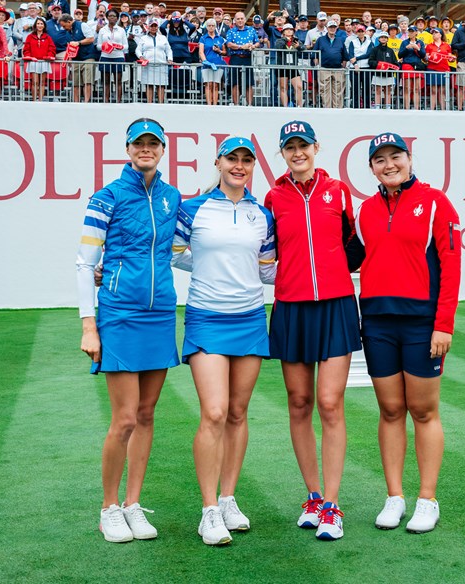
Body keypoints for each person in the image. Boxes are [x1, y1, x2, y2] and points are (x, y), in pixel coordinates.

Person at [346, 132, 461, 534]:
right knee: (391, 410)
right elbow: (346, 257)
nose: (389, 164)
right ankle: (395, 497)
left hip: (421, 324)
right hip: (376, 322)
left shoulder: (435, 202)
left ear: (410, 160)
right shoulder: (365, 210)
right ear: (372, 168)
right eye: (380, 159)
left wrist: (443, 324)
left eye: (396, 156)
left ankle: (427, 499)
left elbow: (451, 266)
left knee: (424, 411)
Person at [77, 118, 182, 544]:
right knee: (123, 419)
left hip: (160, 315)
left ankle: (134, 504)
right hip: (119, 315)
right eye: (139, 144)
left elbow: (178, 253)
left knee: (146, 414)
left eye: (153, 143)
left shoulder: (172, 197)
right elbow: (86, 263)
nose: (146, 149)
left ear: (162, 148)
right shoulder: (107, 197)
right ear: (128, 148)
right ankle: (109, 508)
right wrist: (89, 325)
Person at [172, 137, 276, 546]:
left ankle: (230, 498)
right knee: (213, 412)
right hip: (207, 317)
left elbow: (267, 269)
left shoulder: (261, 214)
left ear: (253, 166)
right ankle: (209, 509)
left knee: (237, 412)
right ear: (218, 162)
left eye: (246, 160)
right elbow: (176, 253)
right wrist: (214, 265)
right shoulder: (192, 208)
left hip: (250, 318)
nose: (238, 165)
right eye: (231, 158)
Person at [263, 121, 360, 541]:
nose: (298, 152)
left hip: (336, 305)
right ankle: (314, 497)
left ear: (317, 148)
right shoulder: (273, 196)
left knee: (329, 402)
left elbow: (355, 246)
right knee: (299, 402)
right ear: (282, 153)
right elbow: (265, 251)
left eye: (304, 145)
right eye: (290, 147)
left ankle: (333, 506)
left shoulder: (338, 191)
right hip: (291, 306)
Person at [224, 12, 258, 106]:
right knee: (235, 82)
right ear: (235, 20)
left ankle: (250, 105)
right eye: (238, 19)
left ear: (245, 19)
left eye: (242, 18)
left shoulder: (251, 30)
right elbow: (229, 44)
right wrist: (241, 47)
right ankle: (236, 105)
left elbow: (258, 42)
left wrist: (253, 46)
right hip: (235, 58)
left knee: (249, 83)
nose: (240, 20)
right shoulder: (231, 31)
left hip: (247, 58)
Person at [136, 16, 172, 103]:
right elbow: (138, 49)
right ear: (148, 27)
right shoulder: (143, 38)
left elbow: (168, 49)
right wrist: (140, 56)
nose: (153, 28)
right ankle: (149, 104)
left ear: (157, 27)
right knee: (149, 85)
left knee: (161, 85)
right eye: (152, 26)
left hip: (161, 64)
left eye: (155, 26)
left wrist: (170, 58)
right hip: (148, 65)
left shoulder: (163, 38)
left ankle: (160, 104)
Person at [314, 20, 346, 108]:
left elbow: (344, 55)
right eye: (330, 27)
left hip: (338, 69)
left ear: (336, 28)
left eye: (334, 27)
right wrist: (318, 66)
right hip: (324, 69)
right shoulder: (320, 40)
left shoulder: (340, 40)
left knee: (338, 91)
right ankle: (327, 109)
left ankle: (337, 109)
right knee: (324, 90)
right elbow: (315, 54)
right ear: (327, 28)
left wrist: (342, 67)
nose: (332, 29)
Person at [96, 8, 126, 102]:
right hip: (105, 57)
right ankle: (106, 101)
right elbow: (98, 46)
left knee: (118, 81)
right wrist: (106, 46)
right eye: (110, 16)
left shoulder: (121, 30)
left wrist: (117, 47)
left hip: (118, 57)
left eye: (114, 16)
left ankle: (118, 101)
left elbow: (126, 46)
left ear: (117, 18)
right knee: (106, 81)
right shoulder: (102, 30)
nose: (112, 18)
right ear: (107, 17)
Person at [23, 16, 55, 101]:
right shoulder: (30, 36)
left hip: (44, 62)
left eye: (41, 24)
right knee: (34, 82)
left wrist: (48, 56)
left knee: (42, 82)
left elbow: (52, 48)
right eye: (38, 23)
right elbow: (26, 49)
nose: (40, 25)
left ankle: (40, 100)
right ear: (35, 25)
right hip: (33, 62)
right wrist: (30, 56)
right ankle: (34, 100)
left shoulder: (48, 37)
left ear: (44, 25)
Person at [274, 23, 303, 107]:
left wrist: (298, 47)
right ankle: (285, 107)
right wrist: (286, 40)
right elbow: (278, 47)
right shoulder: (280, 40)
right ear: (283, 32)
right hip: (282, 66)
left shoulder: (296, 40)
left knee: (299, 86)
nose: (289, 31)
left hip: (293, 66)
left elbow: (303, 48)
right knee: (283, 88)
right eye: (287, 30)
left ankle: (300, 106)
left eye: (291, 30)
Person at [198, 17, 225, 105]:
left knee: (216, 85)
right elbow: (201, 51)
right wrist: (205, 61)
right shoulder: (203, 38)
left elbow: (225, 52)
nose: (211, 27)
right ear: (207, 27)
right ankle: (209, 104)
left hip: (218, 64)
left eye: (213, 26)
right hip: (207, 64)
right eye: (209, 26)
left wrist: (219, 51)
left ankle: (215, 104)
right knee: (208, 84)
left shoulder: (220, 38)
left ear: (215, 27)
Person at [369, 31, 399, 109]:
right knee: (378, 90)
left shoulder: (390, 51)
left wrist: (389, 67)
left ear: (387, 39)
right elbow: (370, 61)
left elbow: (395, 63)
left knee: (388, 91)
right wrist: (379, 65)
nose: (383, 39)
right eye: (382, 37)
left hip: (388, 74)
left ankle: (388, 107)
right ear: (379, 39)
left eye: (385, 37)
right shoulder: (374, 50)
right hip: (378, 74)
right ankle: (377, 107)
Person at [399, 25, 425, 109]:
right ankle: (406, 107)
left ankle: (416, 107)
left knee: (417, 88)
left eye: (412, 31)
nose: (410, 33)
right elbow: (400, 55)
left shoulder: (420, 42)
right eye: (409, 31)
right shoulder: (404, 42)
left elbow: (423, 55)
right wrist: (406, 48)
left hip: (417, 65)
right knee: (407, 88)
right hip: (407, 65)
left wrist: (417, 48)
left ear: (416, 32)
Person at [424, 28, 451, 110]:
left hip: (444, 69)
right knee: (433, 90)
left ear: (440, 34)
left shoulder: (446, 45)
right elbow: (425, 58)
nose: (434, 34)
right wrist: (430, 57)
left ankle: (443, 110)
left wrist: (452, 58)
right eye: (433, 33)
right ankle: (432, 109)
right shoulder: (429, 45)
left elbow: (449, 57)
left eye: (436, 32)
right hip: (432, 68)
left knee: (442, 91)